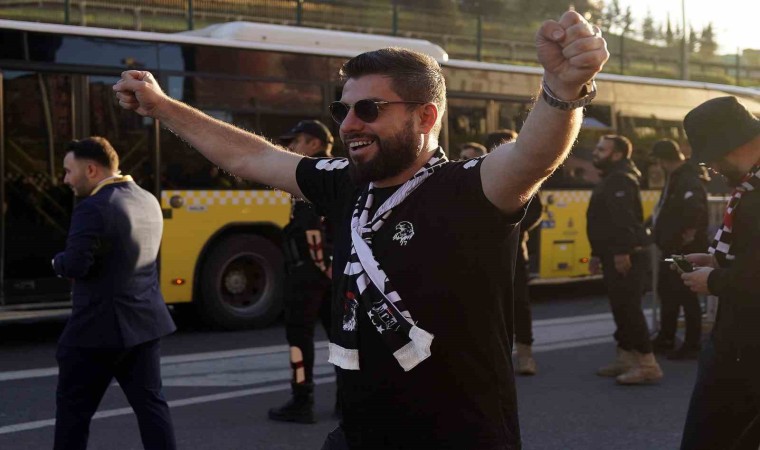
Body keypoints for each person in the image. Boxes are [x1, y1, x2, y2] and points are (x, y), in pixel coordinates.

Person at [114, 11, 608, 448]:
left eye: (368, 109)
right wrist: (162, 106)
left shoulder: (467, 186)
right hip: (358, 435)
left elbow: (532, 156)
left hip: (459, 437)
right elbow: (252, 156)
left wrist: (563, 89)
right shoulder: (345, 182)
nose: (349, 124)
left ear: (426, 116)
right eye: (342, 109)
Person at [52, 137, 177, 450]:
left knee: (73, 414)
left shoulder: (93, 208)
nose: (65, 180)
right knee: (152, 407)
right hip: (144, 324)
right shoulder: (148, 199)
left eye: (68, 171)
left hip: (96, 329)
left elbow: (76, 264)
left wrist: (57, 262)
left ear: (91, 170)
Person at [678, 96, 760, 450]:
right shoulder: (752, 185)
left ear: (731, 144)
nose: (711, 167)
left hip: (745, 345)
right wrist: (718, 262)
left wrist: (713, 280)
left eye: (709, 158)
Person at [269, 120, 335, 424]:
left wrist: (323, 267)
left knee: (299, 338)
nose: (291, 147)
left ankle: (301, 400)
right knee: (340, 340)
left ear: (314, 144)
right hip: (331, 274)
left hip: (308, 276)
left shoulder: (312, 176)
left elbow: (311, 231)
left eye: (296, 142)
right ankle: (346, 401)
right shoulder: (337, 174)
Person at [587, 134, 663, 385]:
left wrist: (622, 252)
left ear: (617, 154)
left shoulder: (620, 179)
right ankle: (626, 358)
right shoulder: (613, 177)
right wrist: (597, 253)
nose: (595, 152)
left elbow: (623, 220)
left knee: (629, 310)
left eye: (602, 149)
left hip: (627, 255)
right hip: (614, 253)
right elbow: (603, 222)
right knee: (621, 308)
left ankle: (648, 365)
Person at [486, 129, 543, 376]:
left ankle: (525, 354)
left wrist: (509, 226)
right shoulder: (479, 174)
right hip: (484, 251)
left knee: (519, 302)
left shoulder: (526, 176)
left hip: (515, 249)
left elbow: (536, 211)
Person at [649, 138, 708, 360]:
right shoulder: (676, 177)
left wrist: (685, 239)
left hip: (683, 251)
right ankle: (666, 337)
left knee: (686, 295)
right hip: (673, 248)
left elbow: (695, 211)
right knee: (668, 292)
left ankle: (692, 344)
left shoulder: (687, 179)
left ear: (663, 160)